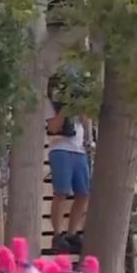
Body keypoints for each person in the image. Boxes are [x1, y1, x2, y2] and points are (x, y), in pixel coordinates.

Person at [45, 80, 91, 254]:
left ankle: (72, 233)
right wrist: (65, 109)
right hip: (60, 148)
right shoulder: (51, 103)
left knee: (83, 194)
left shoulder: (80, 104)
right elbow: (53, 127)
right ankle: (57, 235)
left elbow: (86, 123)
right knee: (61, 192)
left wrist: (82, 111)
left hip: (79, 150)